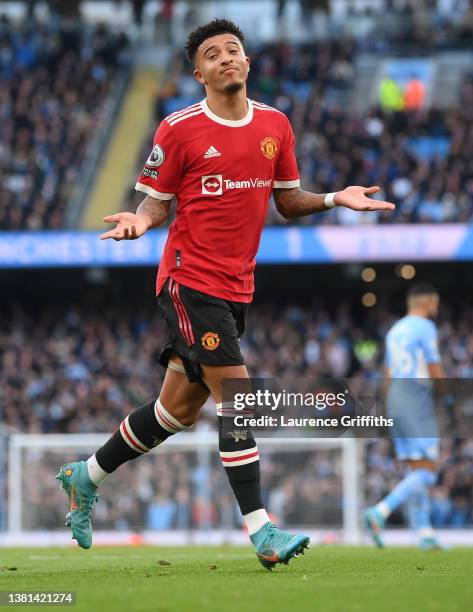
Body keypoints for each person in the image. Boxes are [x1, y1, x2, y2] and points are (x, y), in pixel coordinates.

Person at [56, 18, 394, 570]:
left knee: (176, 410)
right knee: (239, 398)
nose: (226, 58)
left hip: (238, 288)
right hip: (189, 281)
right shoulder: (179, 128)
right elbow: (155, 203)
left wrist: (335, 197)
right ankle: (262, 531)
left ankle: (85, 475)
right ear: (199, 73)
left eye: (233, 49)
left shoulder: (275, 125)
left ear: (248, 61)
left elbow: (286, 201)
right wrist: (141, 224)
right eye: (213, 54)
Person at [364, 283, 448, 550]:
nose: (437, 307)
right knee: (430, 470)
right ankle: (380, 511)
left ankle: (424, 533)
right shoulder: (425, 327)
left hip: (395, 399)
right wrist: (448, 396)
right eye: (435, 302)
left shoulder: (394, 330)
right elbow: (433, 365)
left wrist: (387, 408)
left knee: (416, 468)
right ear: (428, 302)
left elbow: (387, 372)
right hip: (415, 399)